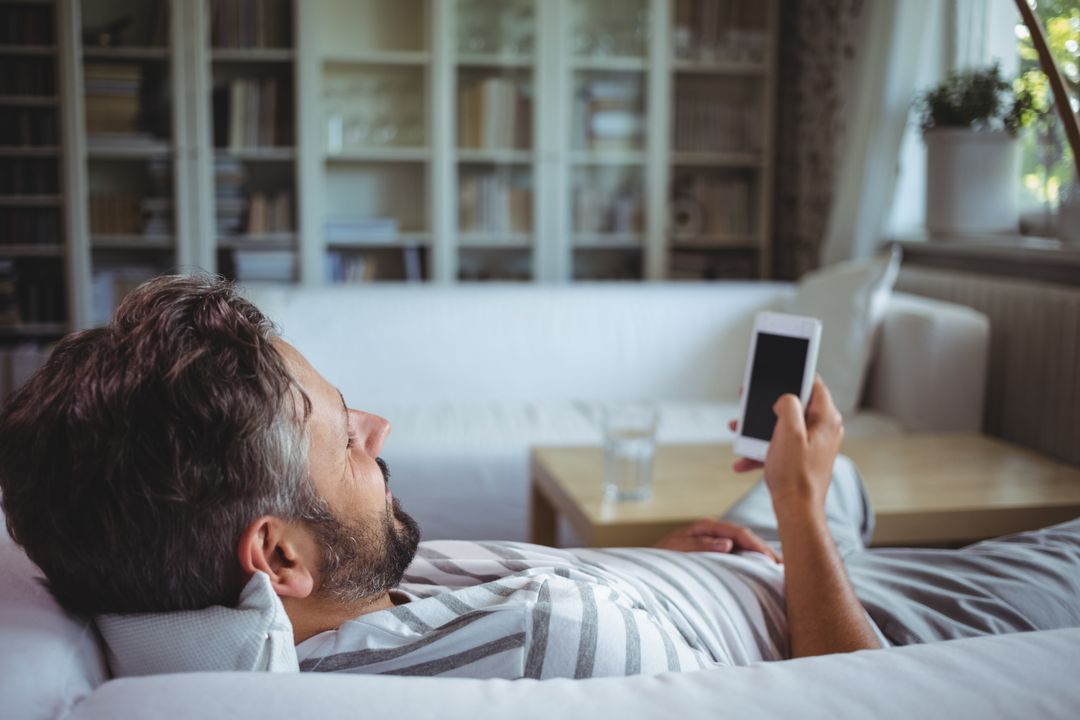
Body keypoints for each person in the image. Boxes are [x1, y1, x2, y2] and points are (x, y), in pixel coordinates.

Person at [0, 275, 1077, 679]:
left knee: (816, 462)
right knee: (823, 471)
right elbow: (862, 695)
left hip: (725, 576)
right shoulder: (536, 649)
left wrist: (651, 565)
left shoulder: (339, 602)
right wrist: (799, 519)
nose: (377, 427)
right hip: (875, 612)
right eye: (344, 437)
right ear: (276, 554)